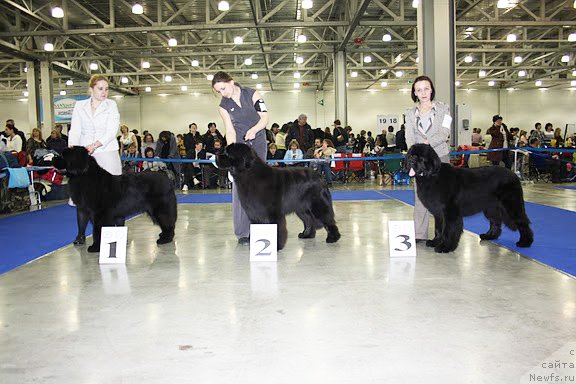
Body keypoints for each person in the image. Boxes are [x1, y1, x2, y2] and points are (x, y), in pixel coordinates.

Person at [213, 71, 269, 245]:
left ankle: (260, 228)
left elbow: (265, 118)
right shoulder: (223, 106)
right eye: (219, 91)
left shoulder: (252, 94)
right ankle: (242, 232)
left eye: (223, 88)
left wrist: (254, 130)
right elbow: (229, 130)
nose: (223, 93)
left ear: (231, 82)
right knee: (239, 188)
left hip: (258, 143)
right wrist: (231, 151)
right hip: (240, 147)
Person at [69, 74, 122, 244]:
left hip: (107, 152)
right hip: (85, 157)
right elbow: (75, 130)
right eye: (100, 89)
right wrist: (73, 152)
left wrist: (95, 145)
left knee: (114, 196)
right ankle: (81, 234)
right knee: (82, 197)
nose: (104, 92)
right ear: (91, 88)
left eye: (106, 89)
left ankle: (119, 234)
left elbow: (112, 130)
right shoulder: (79, 106)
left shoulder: (111, 105)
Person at [405, 75, 452, 243]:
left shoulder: (444, 109)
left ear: (431, 89)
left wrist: (426, 145)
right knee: (421, 196)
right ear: (415, 93)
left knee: (443, 197)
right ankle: (419, 234)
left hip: (440, 156)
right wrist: (417, 153)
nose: (423, 92)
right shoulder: (410, 114)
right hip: (420, 162)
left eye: (426, 88)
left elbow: (444, 133)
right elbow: (409, 137)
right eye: (419, 90)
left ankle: (444, 233)